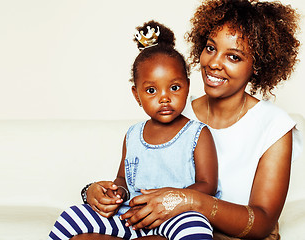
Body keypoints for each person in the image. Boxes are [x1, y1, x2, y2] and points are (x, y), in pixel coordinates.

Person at [117, 0, 303, 239]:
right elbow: (133, 176)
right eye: (211, 48)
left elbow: (263, 222)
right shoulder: (175, 109)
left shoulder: (274, 125)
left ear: (257, 65)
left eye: (233, 57)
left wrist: (190, 200)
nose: (214, 63)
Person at [49, 20, 219, 240]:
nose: (165, 97)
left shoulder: (197, 133)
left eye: (174, 87)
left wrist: (171, 199)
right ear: (136, 95)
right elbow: (122, 178)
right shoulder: (133, 135)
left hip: (175, 216)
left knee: (195, 226)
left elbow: (208, 185)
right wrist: (117, 193)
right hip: (131, 218)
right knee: (72, 216)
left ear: (187, 86)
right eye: (151, 90)